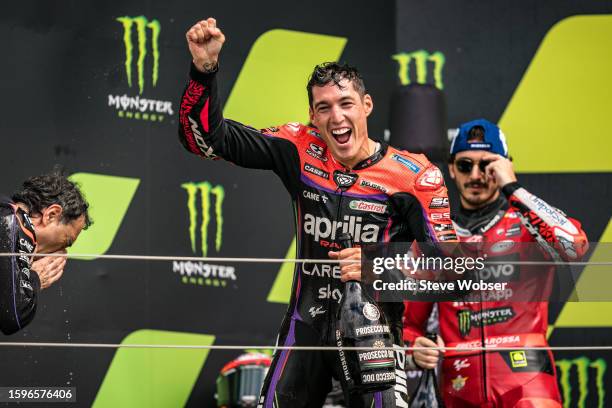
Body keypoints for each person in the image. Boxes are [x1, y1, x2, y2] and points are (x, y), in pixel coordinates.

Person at [178, 18, 457, 408]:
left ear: (367, 106)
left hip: (374, 332)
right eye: (323, 108)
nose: (336, 117)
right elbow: (204, 140)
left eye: (346, 104)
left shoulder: (415, 176)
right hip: (304, 328)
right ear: (312, 115)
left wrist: (377, 264)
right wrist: (204, 70)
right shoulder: (297, 147)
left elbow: (455, 270)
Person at [403, 119, 588, 407]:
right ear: (451, 169)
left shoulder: (529, 227)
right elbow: (408, 324)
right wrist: (415, 347)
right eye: (465, 165)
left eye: (488, 166)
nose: (476, 175)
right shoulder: (434, 239)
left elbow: (575, 245)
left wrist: (513, 188)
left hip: (529, 386)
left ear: (504, 167)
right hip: (458, 387)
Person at [0, 172, 91, 335]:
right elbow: (12, 316)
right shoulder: (11, 221)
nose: (61, 253)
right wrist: (36, 278)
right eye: (66, 241)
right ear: (51, 215)